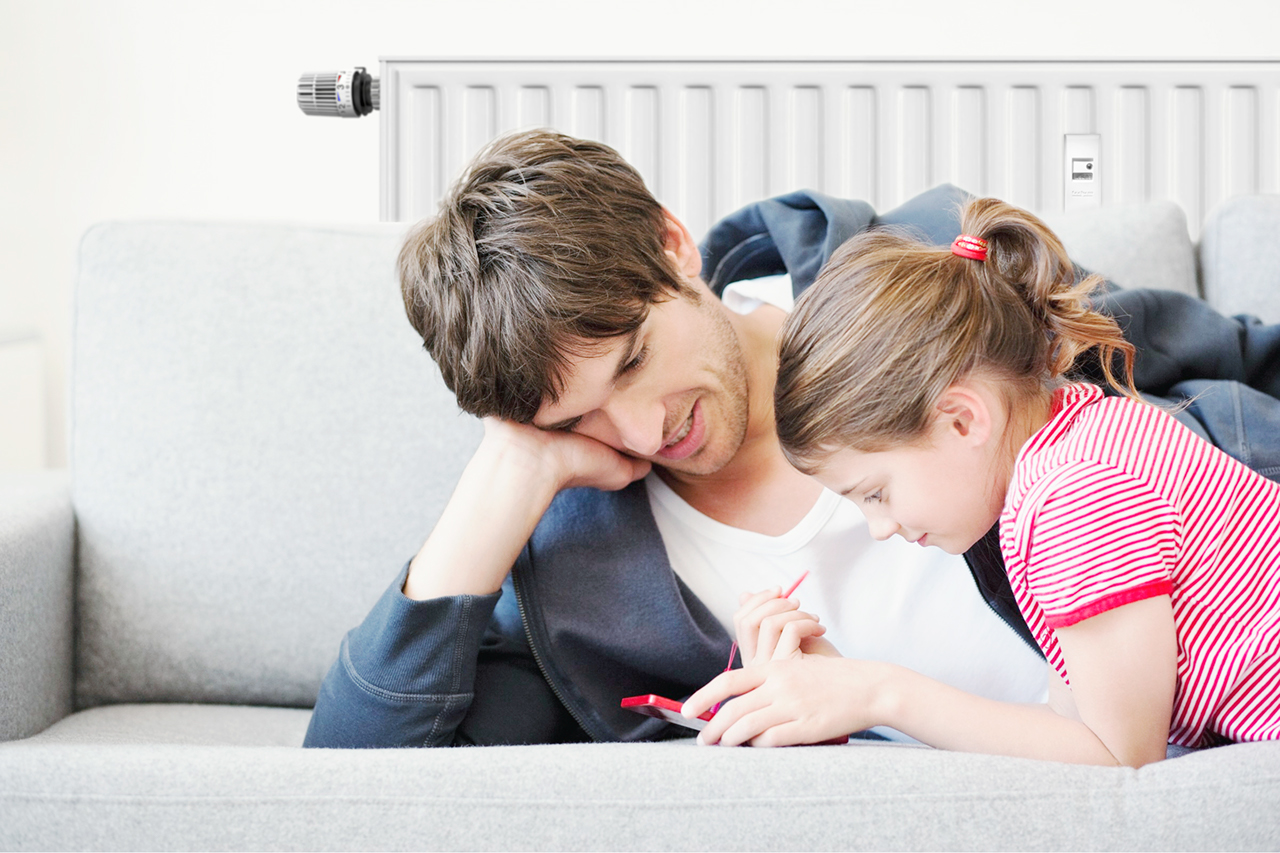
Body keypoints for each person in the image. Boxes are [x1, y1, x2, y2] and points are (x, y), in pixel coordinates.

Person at [303, 129, 1280, 749]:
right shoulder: (582, 566)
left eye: (635, 360)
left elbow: (1218, 357)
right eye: (575, 416)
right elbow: (349, 785)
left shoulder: (916, 285)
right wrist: (508, 470)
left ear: (671, 244)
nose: (641, 431)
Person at [682, 197, 1279, 764]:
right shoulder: (1080, 437)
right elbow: (1070, 723)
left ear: (963, 419)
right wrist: (840, 684)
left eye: (875, 492)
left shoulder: (1075, 497)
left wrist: (879, 692)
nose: (880, 527)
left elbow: (1118, 754)